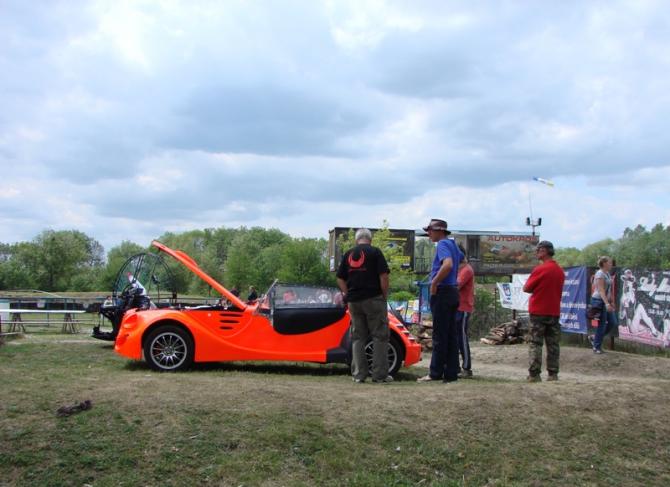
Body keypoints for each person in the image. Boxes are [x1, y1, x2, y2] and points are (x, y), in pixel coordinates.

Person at [336, 228, 392, 384]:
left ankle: (359, 375)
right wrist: (384, 295)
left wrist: (348, 293)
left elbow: (339, 278)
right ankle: (379, 375)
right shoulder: (375, 252)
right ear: (370, 239)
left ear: (356, 240)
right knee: (379, 336)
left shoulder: (348, 254)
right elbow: (384, 276)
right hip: (374, 299)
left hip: (354, 302)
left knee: (357, 337)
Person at [417, 219, 462, 384]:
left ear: (439, 231)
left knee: (439, 335)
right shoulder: (453, 244)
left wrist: (435, 282)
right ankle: (451, 372)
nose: (428, 233)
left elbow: (448, 265)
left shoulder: (442, 244)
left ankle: (435, 373)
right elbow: (462, 260)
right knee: (451, 334)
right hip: (453, 291)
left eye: (430, 230)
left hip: (443, 292)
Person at [522, 240, 565, 382]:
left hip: (538, 311)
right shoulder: (559, 270)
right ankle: (553, 374)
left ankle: (534, 374)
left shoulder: (540, 269)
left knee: (535, 343)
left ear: (544, 251)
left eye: (538, 250)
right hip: (554, 311)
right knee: (553, 344)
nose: (536, 253)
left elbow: (526, 288)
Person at [590, 256, 617, 354]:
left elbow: (609, 289)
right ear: (604, 264)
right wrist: (606, 304)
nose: (611, 264)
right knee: (601, 324)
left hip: (606, 301)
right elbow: (601, 290)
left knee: (613, 322)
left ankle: (594, 337)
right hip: (599, 301)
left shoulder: (607, 273)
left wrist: (612, 301)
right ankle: (596, 347)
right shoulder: (600, 273)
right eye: (609, 262)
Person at [456, 244, 475, 378]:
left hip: (463, 308)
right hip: (456, 307)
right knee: (455, 337)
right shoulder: (458, 269)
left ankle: (467, 367)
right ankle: (455, 366)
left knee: (462, 337)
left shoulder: (466, 270)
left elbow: (456, 285)